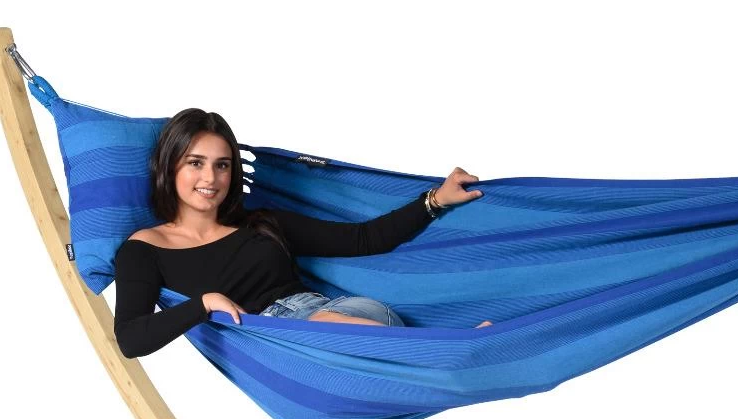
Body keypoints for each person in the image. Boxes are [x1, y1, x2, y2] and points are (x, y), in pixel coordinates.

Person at [113, 108, 490, 359]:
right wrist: (204, 303)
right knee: (323, 342)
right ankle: (454, 351)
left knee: (324, 327)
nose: (210, 178)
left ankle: (455, 351)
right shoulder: (144, 250)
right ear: (169, 167)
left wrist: (436, 200)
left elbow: (365, 238)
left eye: (222, 165)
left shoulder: (262, 223)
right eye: (195, 163)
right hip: (294, 350)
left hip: (343, 320)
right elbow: (131, 339)